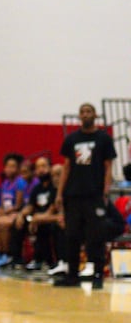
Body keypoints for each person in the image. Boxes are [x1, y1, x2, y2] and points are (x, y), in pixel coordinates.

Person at [54, 103, 117, 289]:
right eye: (82, 112)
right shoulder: (71, 139)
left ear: (95, 115)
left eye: (89, 111)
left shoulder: (104, 139)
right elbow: (66, 167)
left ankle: (98, 274)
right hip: (74, 194)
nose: (85, 114)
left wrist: (106, 191)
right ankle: (72, 275)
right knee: (72, 235)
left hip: (94, 194)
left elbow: (108, 167)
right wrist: (59, 193)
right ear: (79, 116)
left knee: (95, 235)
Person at [10, 158, 63, 271]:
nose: (41, 170)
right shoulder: (37, 188)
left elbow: (52, 210)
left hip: (49, 218)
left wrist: (37, 219)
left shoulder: (54, 187)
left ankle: (46, 261)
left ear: (50, 168)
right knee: (18, 223)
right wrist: (21, 215)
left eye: (44, 166)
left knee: (43, 226)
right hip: (38, 217)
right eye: (38, 167)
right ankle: (17, 260)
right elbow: (30, 206)